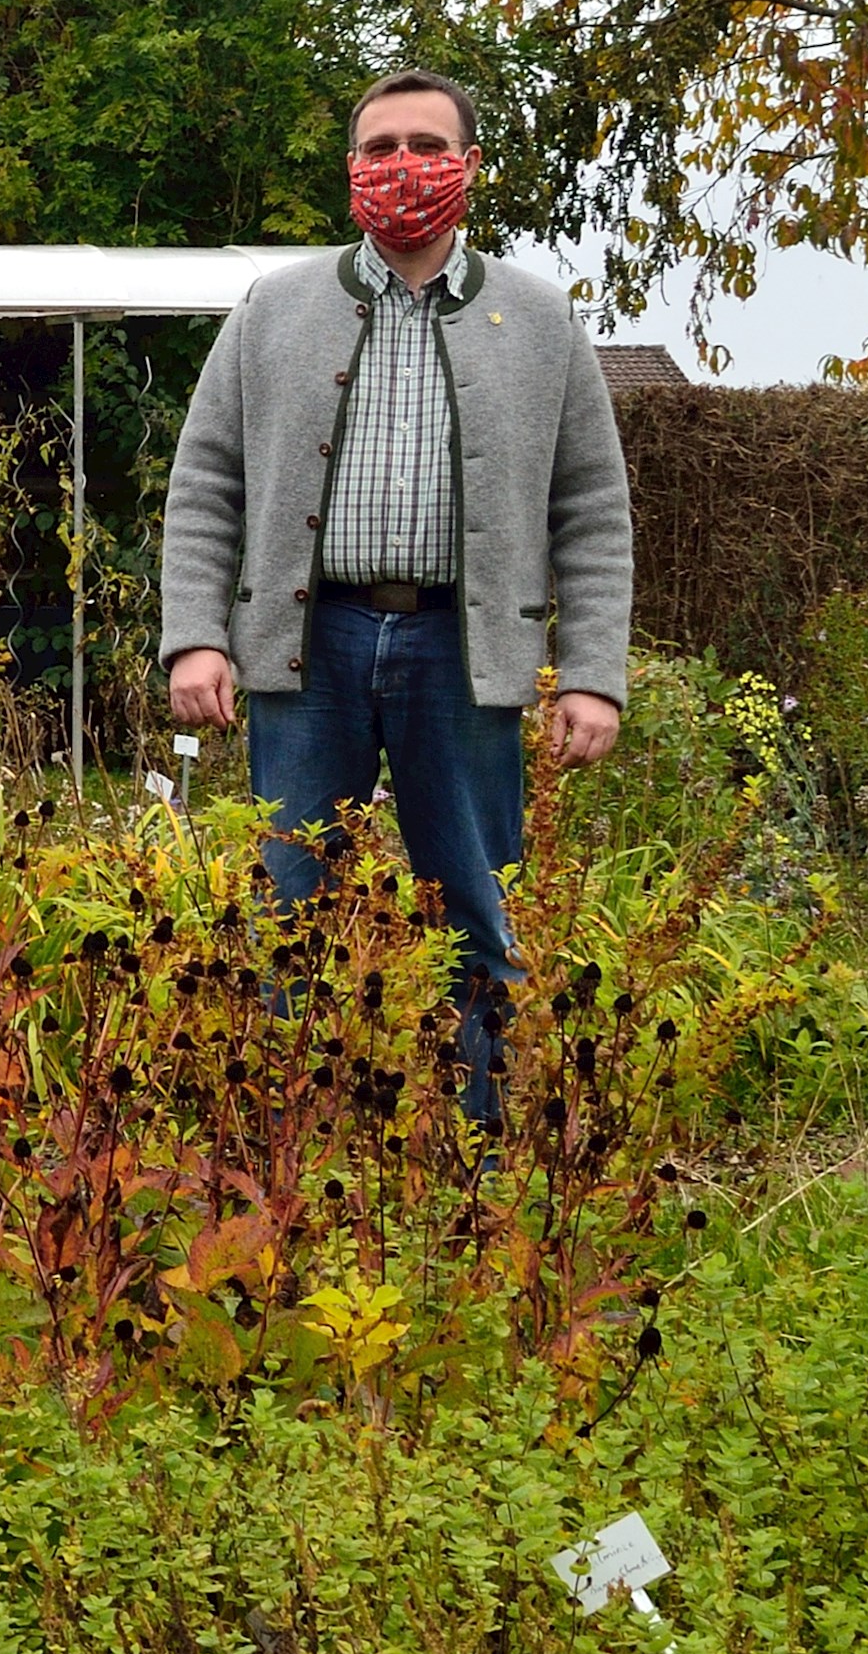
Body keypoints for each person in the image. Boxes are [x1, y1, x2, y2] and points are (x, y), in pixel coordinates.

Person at [160, 66, 632, 1136]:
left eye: (426, 143)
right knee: (290, 906)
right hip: (304, 651)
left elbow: (593, 509)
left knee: (477, 910)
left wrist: (594, 672)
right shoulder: (273, 308)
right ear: (349, 171)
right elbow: (205, 480)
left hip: (460, 654)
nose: (401, 167)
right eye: (379, 148)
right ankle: (288, 1155)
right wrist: (195, 635)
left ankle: (484, 1162)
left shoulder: (541, 318)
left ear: (467, 164)